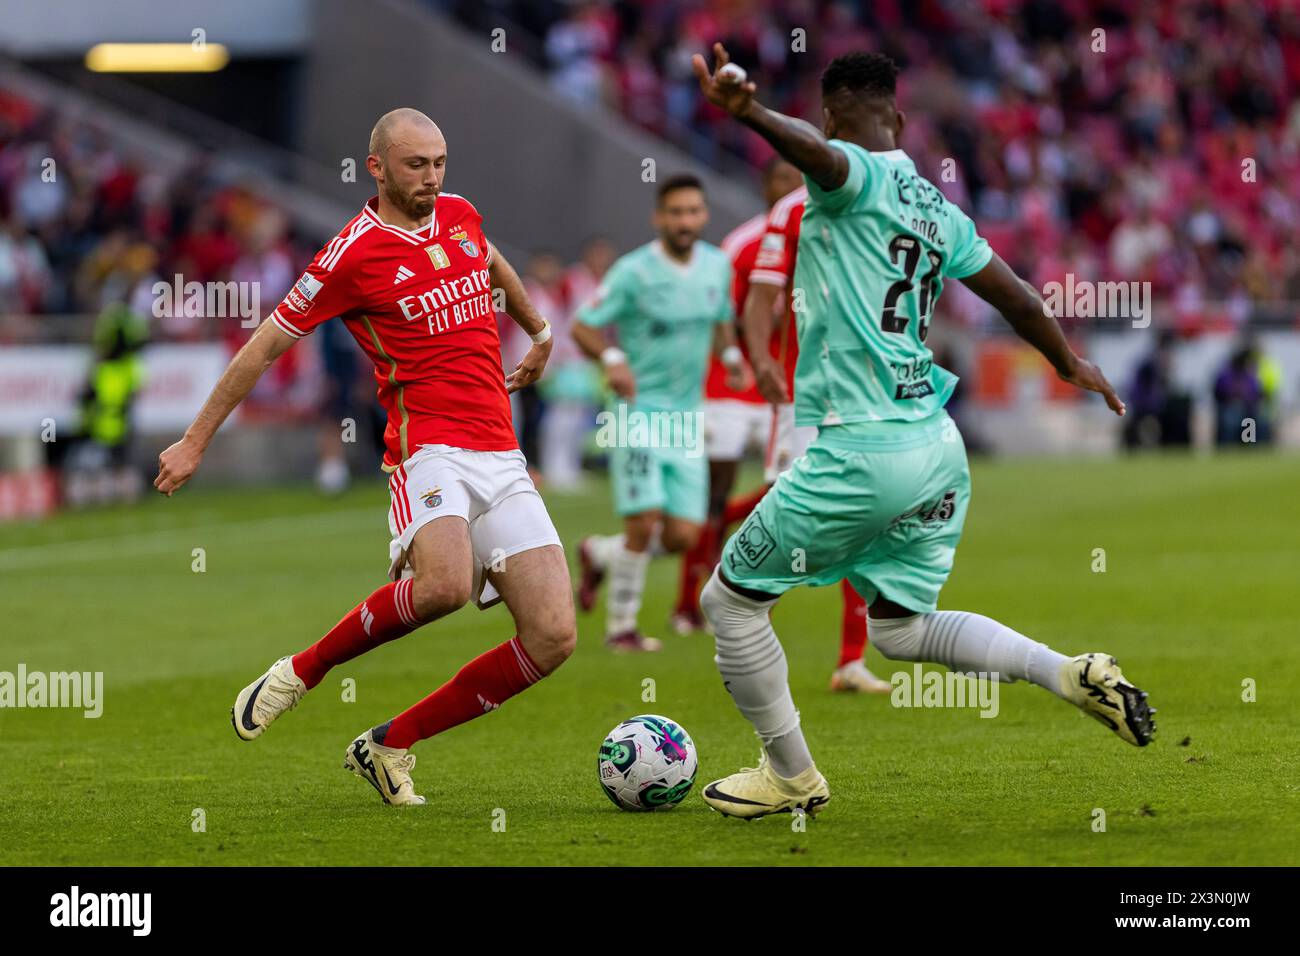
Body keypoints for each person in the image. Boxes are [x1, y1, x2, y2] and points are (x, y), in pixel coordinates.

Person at [691, 46, 1154, 819]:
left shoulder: (844, 172)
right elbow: (1018, 299)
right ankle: (1065, 672)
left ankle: (792, 777)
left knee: (731, 604)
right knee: (901, 632)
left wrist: (751, 115)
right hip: (937, 448)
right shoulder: (939, 206)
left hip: (861, 448)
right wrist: (1069, 361)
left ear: (835, 117)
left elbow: (816, 154)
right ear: (900, 118)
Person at [154, 108, 575, 806]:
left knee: (555, 635)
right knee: (443, 585)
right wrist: (195, 440)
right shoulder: (350, 254)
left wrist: (537, 329)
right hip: (428, 449)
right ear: (376, 167)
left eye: (440, 163)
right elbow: (264, 345)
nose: (433, 178)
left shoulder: (461, 213)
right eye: (417, 165)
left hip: (500, 451)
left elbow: (488, 257)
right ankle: (300, 672)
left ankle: (388, 745)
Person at [571, 174, 746, 652]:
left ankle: (600, 553)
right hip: (638, 412)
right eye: (676, 212)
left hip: (687, 418)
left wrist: (731, 361)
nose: (685, 221)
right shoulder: (634, 272)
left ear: (704, 216)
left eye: (693, 211)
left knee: (683, 536)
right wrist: (612, 359)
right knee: (644, 519)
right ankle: (620, 629)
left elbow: (723, 323)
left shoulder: (716, 267)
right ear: (659, 217)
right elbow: (583, 325)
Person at [670, 157, 802, 637]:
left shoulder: (816, 234)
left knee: (785, 489)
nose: (791, 189)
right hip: (730, 385)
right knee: (716, 486)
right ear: (767, 186)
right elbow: (719, 313)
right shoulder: (743, 243)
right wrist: (737, 359)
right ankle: (687, 603)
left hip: (784, 391)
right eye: (783, 179)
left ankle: (710, 541)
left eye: (798, 180)